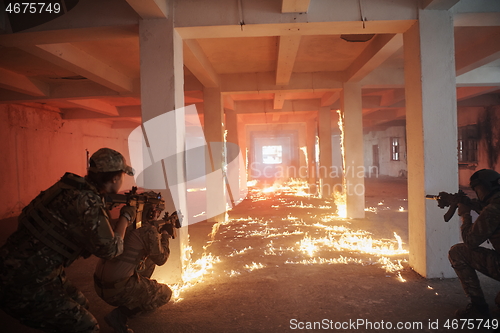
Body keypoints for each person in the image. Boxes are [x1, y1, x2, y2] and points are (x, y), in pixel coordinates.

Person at [0, 147, 136, 333]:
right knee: (86, 326)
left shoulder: (68, 186)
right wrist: (126, 217)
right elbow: (111, 251)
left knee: (80, 302)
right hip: (24, 280)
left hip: (21, 264)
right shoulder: (88, 202)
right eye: (122, 176)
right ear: (115, 178)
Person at [94, 191, 175, 333]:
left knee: (147, 259)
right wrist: (165, 236)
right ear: (152, 211)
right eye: (158, 211)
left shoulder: (120, 224)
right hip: (117, 291)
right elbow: (162, 259)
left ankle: (136, 293)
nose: (158, 214)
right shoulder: (148, 231)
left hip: (99, 286)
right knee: (165, 293)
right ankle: (121, 315)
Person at [449, 168, 500, 320]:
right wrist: (470, 204)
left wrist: (465, 214)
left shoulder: (493, 210)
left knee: (457, 252)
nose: (476, 193)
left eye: (477, 189)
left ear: (485, 186)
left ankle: (478, 308)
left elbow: (470, 241)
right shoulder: (495, 203)